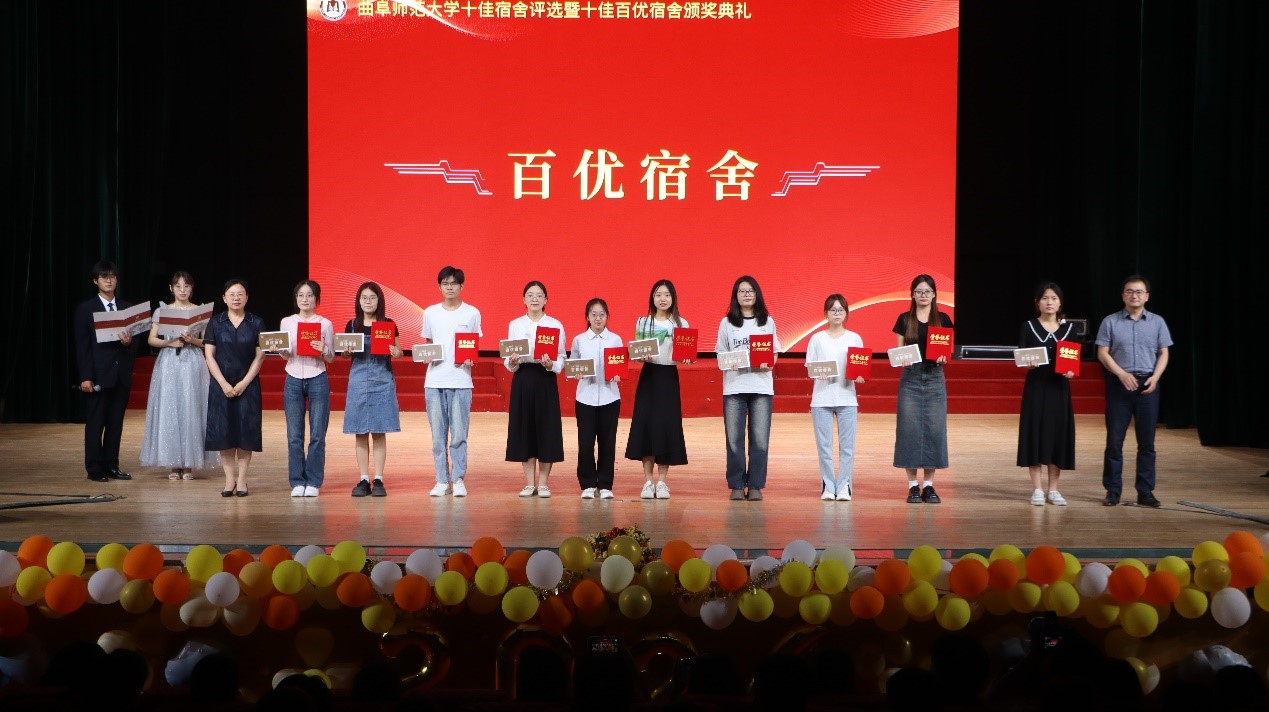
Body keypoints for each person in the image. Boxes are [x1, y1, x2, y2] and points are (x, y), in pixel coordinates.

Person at [1095, 275, 1172, 508]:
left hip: (1148, 385)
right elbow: (1102, 352)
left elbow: (1164, 352)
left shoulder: (1157, 322)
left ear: (1147, 296)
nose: (1134, 295)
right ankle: (1113, 490)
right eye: (1129, 291)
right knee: (1114, 441)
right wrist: (1121, 374)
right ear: (1123, 296)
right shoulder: (1110, 321)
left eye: (1139, 292)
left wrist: (1155, 377)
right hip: (1119, 385)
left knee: (1147, 443)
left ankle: (1145, 492)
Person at [140, 271, 210, 480]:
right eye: (178, 286)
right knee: (170, 408)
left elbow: (207, 342)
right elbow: (151, 339)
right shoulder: (162, 311)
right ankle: (174, 464)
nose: (182, 290)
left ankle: (189, 464)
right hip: (169, 360)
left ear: (192, 288)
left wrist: (192, 340)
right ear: (171, 288)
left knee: (191, 408)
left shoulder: (199, 311)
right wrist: (168, 342)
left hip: (192, 361)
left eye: (186, 286)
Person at [624, 279, 690, 499]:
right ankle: (647, 482)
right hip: (649, 377)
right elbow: (637, 352)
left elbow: (683, 354)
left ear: (673, 299)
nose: (663, 299)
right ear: (652, 298)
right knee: (647, 427)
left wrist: (686, 358)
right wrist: (640, 356)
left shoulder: (681, 323)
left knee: (666, 427)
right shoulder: (644, 322)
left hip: (669, 378)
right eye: (658, 294)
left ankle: (662, 482)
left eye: (667, 295)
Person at [421, 266, 483, 497]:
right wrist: (426, 355)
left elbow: (473, 345)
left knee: (458, 435)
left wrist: (471, 359)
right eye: (445, 283)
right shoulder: (430, 312)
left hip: (461, 381)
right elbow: (428, 343)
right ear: (439, 287)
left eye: (454, 283)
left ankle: (457, 479)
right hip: (434, 381)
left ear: (461, 286)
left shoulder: (472, 313)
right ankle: (441, 480)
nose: (449, 287)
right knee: (438, 437)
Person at [73, 260, 138, 483]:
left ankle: (111, 465)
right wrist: (86, 377)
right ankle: (94, 468)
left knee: (115, 424)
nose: (109, 280)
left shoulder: (127, 307)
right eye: (104, 277)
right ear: (95, 281)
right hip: (98, 376)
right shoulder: (86, 309)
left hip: (120, 376)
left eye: (112, 276)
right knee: (95, 424)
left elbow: (135, 342)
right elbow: (82, 346)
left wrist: (129, 343)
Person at [717, 275, 780, 501]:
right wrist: (729, 362)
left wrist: (768, 363)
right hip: (734, 387)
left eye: (750, 291)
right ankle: (736, 484)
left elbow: (774, 353)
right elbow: (721, 354)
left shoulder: (767, 322)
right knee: (734, 440)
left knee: (760, 440)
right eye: (742, 291)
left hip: (761, 386)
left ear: (757, 294)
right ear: (736, 296)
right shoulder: (727, 323)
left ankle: (755, 485)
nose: (746, 295)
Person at [893, 274, 953, 504]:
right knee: (908, 430)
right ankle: (912, 486)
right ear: (913, 294)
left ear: (934, 294)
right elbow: (897, 353)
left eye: (927, 291)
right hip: (911, 379)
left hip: (935, 377)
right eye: (919, 291)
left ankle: (928, 485)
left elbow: (947, 351)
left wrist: (944, 358)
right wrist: (902, 359)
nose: (923, 295)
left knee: (934, 430)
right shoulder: (904, 319)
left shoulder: (943, 319)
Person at [1017, 282, 1077, 506]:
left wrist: (1071, 372)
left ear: (1060, 302)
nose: (1049, 302)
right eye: (1044, 298)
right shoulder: (1028, 327)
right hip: (1036, 389)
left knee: (1056, 437)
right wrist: (1027, 363)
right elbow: (1021, 355)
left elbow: (1073, 360)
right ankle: (1037, 490)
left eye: (1053, 298)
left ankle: (1053, 490)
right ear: (1037, 303)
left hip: (1059, 390)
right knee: (1035, 435)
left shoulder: (1069, 330)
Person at [204, 279, 265, 496]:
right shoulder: (215, 322)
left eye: (240, 294)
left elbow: (260, 356)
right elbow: (209, 355)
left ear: (247, 297)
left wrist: (244, 383)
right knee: (224, 433)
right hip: (221, 385)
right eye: (232, 294)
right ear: (224, 298)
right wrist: (223, 383)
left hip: (248, 385)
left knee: (246, 433)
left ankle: (242, 481)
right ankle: (229, 481)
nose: (236, 298)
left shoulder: (256, 323)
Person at [504, 281, 565, 498]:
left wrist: (551, 364)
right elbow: (508, 359)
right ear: (524, 299)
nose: (535, 299)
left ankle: (544, 483)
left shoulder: (555, 325)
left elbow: (561, 358)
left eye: (539, 295)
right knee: (525, 428)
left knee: (546, 429)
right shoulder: (515, 324)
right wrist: (512, 361)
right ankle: (529, 483)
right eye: (530, 295)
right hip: (523, 378)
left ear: (546, 300)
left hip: (545, 378)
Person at [342, 281, 402, 498]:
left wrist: (395, 352)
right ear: (359, 301)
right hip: (358, 382)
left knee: (378, 431)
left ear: (379, 300)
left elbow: (399, 353)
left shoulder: (389, 324)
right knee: (359, 432)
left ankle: (378, 479)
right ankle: (363, 478)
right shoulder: (352, 325)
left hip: (381, 381)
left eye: (372, 298)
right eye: (364, 298)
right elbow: (345, 355)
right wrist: (346, 351)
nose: (368, 302)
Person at [806, 294, 865, 501]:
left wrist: (860, 376)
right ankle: (828, 485)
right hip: (821, 399)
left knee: (847, 447)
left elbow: (860, 366)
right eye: (833, 310)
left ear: (846, 313)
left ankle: (845, 485)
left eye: (841, 310)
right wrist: (818, 372)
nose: (837, 314)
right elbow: (810, 367)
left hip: (847, 398)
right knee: (824, 446)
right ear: (826, 314)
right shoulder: (817, 339)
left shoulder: (854, 338)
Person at [279, 280, 335, 497]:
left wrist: (324, 349)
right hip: (293, 377)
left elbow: (331, 358)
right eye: (301, 295)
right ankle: (297, 481)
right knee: (294, 435)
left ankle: (313, 481)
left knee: (318, 433)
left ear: (316, 299)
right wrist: (280, 350)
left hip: (317, 377)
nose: (305, 299)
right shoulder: (287, 322)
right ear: (296, 299)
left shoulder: (325, 324)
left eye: (310, 295)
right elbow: (286, 354)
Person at [569, 298, 622, 500]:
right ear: (587, 317)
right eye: (594, 314)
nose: (598, 318)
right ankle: (588, 484)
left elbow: (619, 364)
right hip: (585, 398)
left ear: (607, 317)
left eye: (602, 314)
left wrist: (618, 374)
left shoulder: (615, 339)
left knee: (608, 443)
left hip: (610, 397)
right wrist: (576, 372)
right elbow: (572, 364)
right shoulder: (579, 340)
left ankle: (606, 484)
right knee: (585, 443)